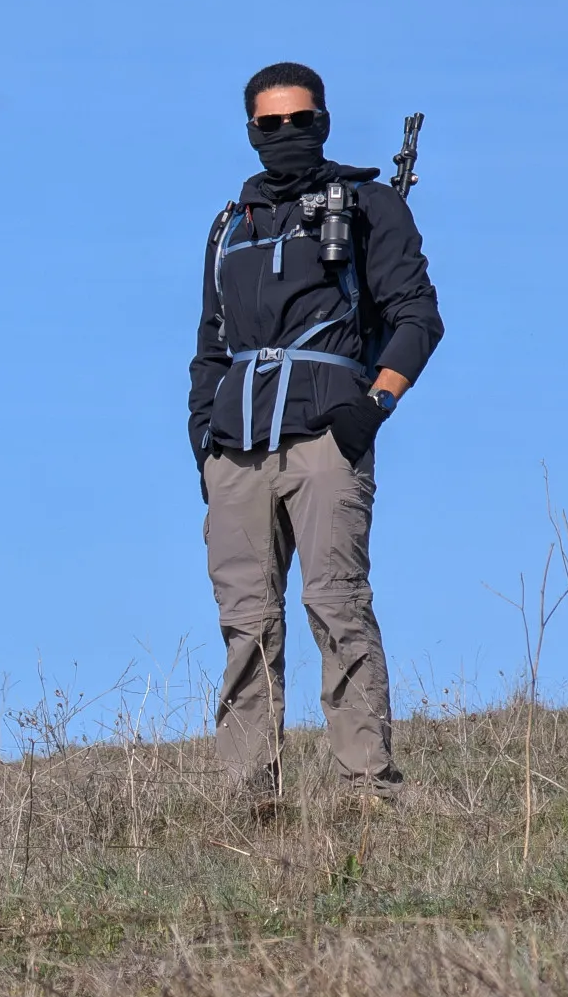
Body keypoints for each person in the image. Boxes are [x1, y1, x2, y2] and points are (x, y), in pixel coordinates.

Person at [187, 62, 442, 814]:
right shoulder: (229, 223)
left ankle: (368, 786)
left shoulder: (369, 205)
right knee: (245, 623)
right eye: (270, 125)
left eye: (301, 121)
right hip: (236, 449)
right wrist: (204, 439)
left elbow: (417, 317)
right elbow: (209, 342)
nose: (286, 135)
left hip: (328, 436)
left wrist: (372, 407)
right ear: (250, 132)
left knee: (337, 606)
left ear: (324, 120)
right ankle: (248, 796)